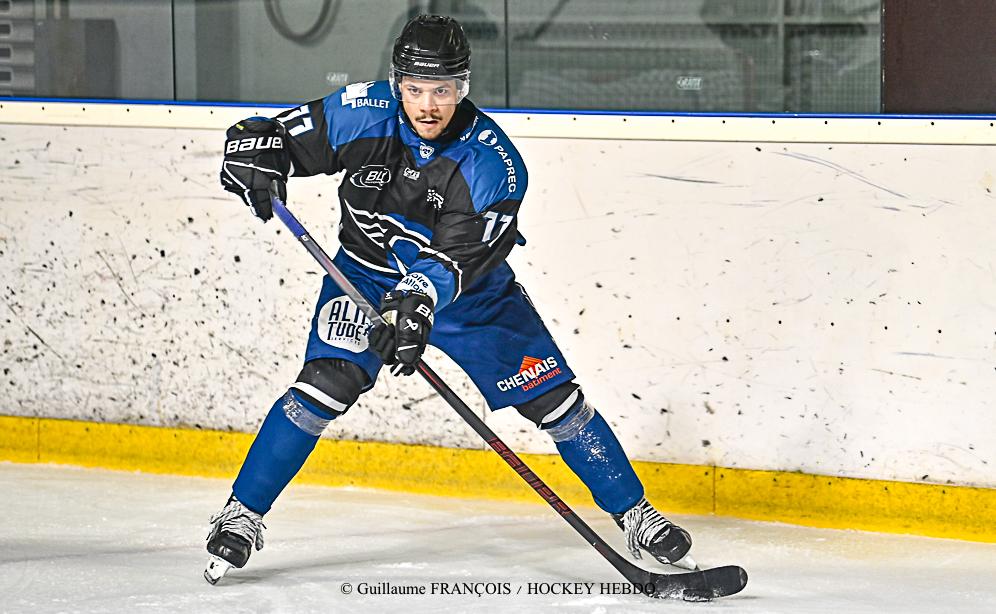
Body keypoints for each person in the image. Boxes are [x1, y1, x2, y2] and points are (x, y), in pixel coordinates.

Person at [207, 14, 693, 584]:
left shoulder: (492, 162)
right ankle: (242, 514)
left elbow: (455, 258)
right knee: (325, 384)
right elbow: (277, 138)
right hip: (364, 279)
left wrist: (415, 300)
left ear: (463, 87)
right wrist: (255, 154)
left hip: (470, 298)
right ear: (397, 84)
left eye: (442, 90)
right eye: (415, 89)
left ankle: (636, 515)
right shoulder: (362, 111)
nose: (428, 105)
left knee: (555, 400)